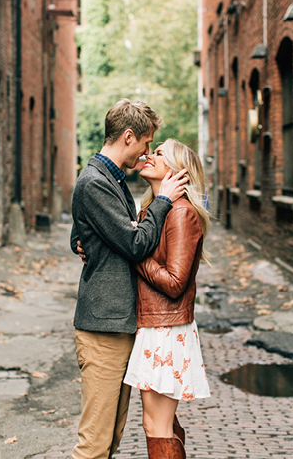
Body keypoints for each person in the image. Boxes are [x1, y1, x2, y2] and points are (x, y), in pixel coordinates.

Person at [68, 99, 188, 459]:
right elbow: (134, 243)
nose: (147, 152)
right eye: (146, 143)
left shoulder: (111, 179)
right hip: (103, 328)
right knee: (94, 443)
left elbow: (84, 228)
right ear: (129, 136)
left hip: (118, 325)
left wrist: (81, 240)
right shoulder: (94, 182)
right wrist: (164, 199)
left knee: (111, 437)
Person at [122, 139, 210, 459]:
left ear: (177, 171)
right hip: (155, 326)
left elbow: (175, 283)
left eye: (159, 154)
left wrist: (134, 253)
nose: (149, 155)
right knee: (160, 425)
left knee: (156, 426)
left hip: (166, 330)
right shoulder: (156, 209)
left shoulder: (181, 213)